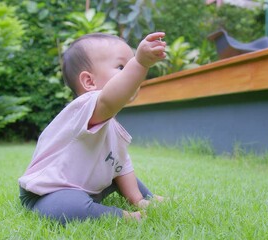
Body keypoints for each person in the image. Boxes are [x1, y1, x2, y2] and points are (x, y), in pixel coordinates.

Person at [18, 32, 167, 225]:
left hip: (86, 188)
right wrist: (140, 63)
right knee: (69, 207)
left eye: (131, 65)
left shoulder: (112, 126)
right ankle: (118, 216)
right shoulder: (85, 106)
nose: (132, 73)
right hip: (46, 193)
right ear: (89, 82)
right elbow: (109, 99)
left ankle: (147, 199)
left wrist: (137, 199)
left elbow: (121, 167)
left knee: (118, 174)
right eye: (123, 67)